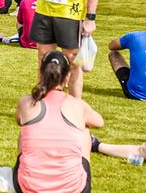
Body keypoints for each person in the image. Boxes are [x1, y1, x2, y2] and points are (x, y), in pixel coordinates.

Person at [12, 51, 103, 193]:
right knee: (84, 131)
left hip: (28, 187)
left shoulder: (26, 102)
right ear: (67, 77)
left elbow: (19, 120)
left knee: (26, 128)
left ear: (41, 73)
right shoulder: (77, 105)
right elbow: (99, 122)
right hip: (73, 188)